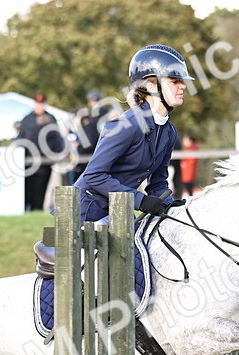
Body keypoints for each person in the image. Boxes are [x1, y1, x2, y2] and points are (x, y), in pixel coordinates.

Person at [73, 44, 191, 224]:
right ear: (152, 85)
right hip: (87, 213)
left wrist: (171, 208)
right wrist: (141, 201)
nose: (183, 86)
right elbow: (93, 175)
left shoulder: (169, 132)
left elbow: (158, 183)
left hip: (119, 212)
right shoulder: (127, 125)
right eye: (175, 81)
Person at [16, 93, 66, 212]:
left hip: (44, 161)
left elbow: (56, 139)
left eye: (42, 104)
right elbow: (22, 138)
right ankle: (27, 209)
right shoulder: (27, 119)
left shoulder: (50, 119)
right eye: (38, 104)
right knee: (28, 189)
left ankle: (37, 210)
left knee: (40, 189)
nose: (40, 106)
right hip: (28, 161)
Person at [174, 133, 200, 199]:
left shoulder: (192, 150)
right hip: (185, 174)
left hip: (187, 175)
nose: (184, 141)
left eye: (185, 140)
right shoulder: (187, 150)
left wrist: (183, 164)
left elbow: (189, 163)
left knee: (188, 190)